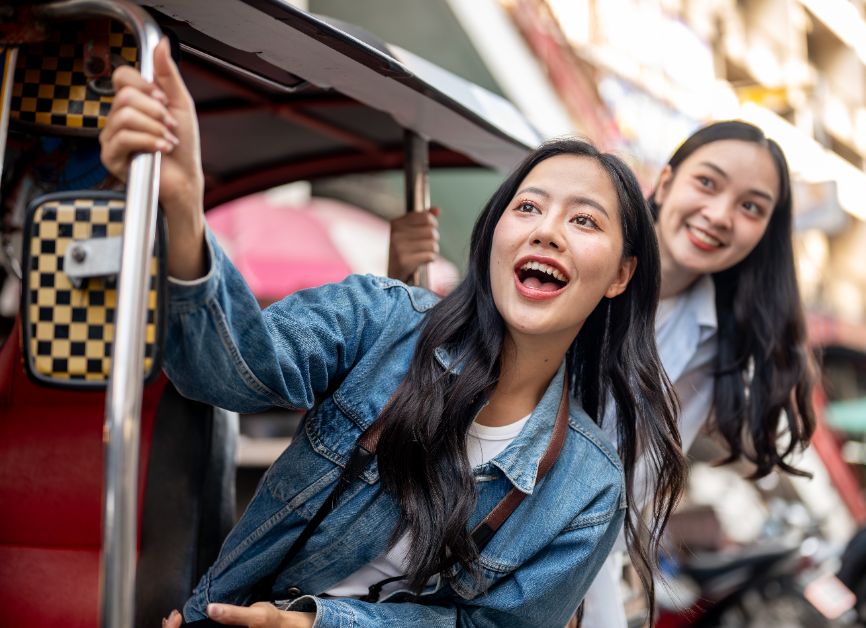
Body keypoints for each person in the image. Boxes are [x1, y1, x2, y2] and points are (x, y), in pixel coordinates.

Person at [100, 40, 686, 627]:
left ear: (620, 274)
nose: (548, 232)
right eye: (528, 207)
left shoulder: (588, 487)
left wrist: (316, 625)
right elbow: (229, 370)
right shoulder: (379, 318)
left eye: (584, 220)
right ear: (494, 236)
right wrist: (181, 205)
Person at [388, 120, 817, 627]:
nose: (720, 215)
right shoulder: (570, 265)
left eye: (752, 207)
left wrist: (581, 577)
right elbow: (448, 361)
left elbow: (635, 482)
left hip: (574, 565)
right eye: (707, 182)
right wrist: (397, 276)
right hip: (451, 521)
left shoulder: (723, 343)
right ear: (667, 179)